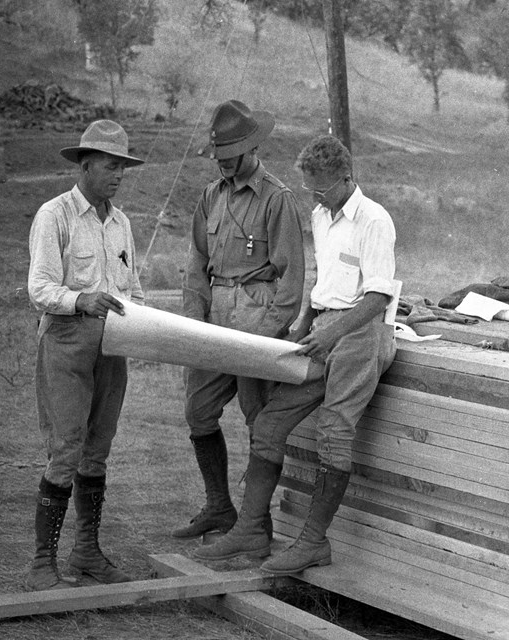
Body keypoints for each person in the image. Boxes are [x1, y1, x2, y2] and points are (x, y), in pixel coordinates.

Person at [194, 134, 397, 573]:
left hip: (362, 335)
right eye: (310, 189)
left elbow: (379, 296)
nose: (315, 197)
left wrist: (331, 333)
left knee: (334, 430)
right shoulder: (323, 216)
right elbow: (324, 280)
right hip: (325, 329)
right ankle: (251, 530)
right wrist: (305, 324)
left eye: (321, 189)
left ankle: (312, 542)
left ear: (346, 179)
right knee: (268, 423)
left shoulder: (374, 220)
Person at [173, 100, 305, 541]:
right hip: (214, 319)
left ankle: (255, 523)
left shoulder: (276, 198)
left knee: (259, 420)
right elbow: (196, 262)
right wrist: (194, 323)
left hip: (256, 316)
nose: (223, 165)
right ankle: (218, 507)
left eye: (229, 156)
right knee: (198, 412)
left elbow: (291, 282)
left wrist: (264, 339)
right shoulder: (211, 196)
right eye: (218, 157)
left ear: (251, 149)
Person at [25, 120, 144, 591]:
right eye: (111, 167)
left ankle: (87, 553)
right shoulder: (54, 215)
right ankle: (41, 565)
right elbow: (39, 289)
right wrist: (81, 300)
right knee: (66, 451)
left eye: (123, 168)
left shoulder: (121, 222)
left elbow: (132, 290)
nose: (118, 175)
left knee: (98, 451)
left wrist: (146, 326)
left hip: (114, 348)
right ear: (87, 166)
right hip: (67, 344)